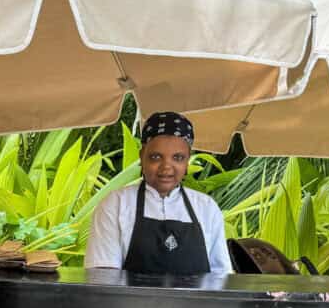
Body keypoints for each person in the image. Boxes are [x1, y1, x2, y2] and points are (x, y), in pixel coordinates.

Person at [85, 111, 231, 274]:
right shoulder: (116, 204)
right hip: (131, 300)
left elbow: (221, 277)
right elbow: (103, 276)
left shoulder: (206, 207)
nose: (166, 167)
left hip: (195, 301)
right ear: (142, 157)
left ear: (188, 161)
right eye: (156, 157)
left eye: (178, 158)